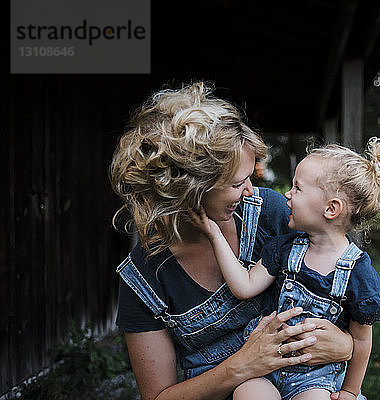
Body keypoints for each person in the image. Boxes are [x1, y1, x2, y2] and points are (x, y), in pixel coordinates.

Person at [110, 82, 355, 400]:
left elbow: (348, 298)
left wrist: (345, 344)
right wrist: (243, 365)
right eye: (238, 182)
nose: (251, 191)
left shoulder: (273, 216)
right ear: (190, 188)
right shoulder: (144, 278)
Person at [191, 138, 380, 400]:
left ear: (331, 208)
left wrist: (350, 391)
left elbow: (361, 340)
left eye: (298, 188)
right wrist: (215, 234)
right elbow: (244, 286)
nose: (288, 194)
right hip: (266, 366)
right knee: (248, 394)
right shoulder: (285, 248)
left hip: (315, 378)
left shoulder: (358, 273)